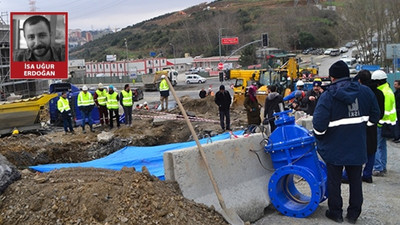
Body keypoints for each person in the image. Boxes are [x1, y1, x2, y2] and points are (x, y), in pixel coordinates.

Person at [313, 60, 380, 224]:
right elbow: (375, 115)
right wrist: (362, 128)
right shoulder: (365, 92)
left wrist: (321, 138)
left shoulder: (327, 96)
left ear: (332, 77)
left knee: (334, 181)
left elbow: (319, 125)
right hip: (357, 145)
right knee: (356, 180)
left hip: (334, 147)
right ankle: (353, 214)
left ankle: (336, 213)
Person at [342, 70, 384, 184]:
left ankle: (347, 175)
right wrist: (372, 122)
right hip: (373, 125)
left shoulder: (359, 92)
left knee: (355, 150)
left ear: (359, 80)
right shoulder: (379, 92)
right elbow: (380, 112)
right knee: (371, 150)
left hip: (359, 125)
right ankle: (367, 174)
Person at [372, 70, 397, 176]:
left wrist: (377, 122)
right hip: (387, 123)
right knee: (382, 146)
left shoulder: (383, 92)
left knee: (376, 146)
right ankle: (383, 166)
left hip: (381, 123)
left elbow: (382, 110)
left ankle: (378, 167)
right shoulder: (388, 90)